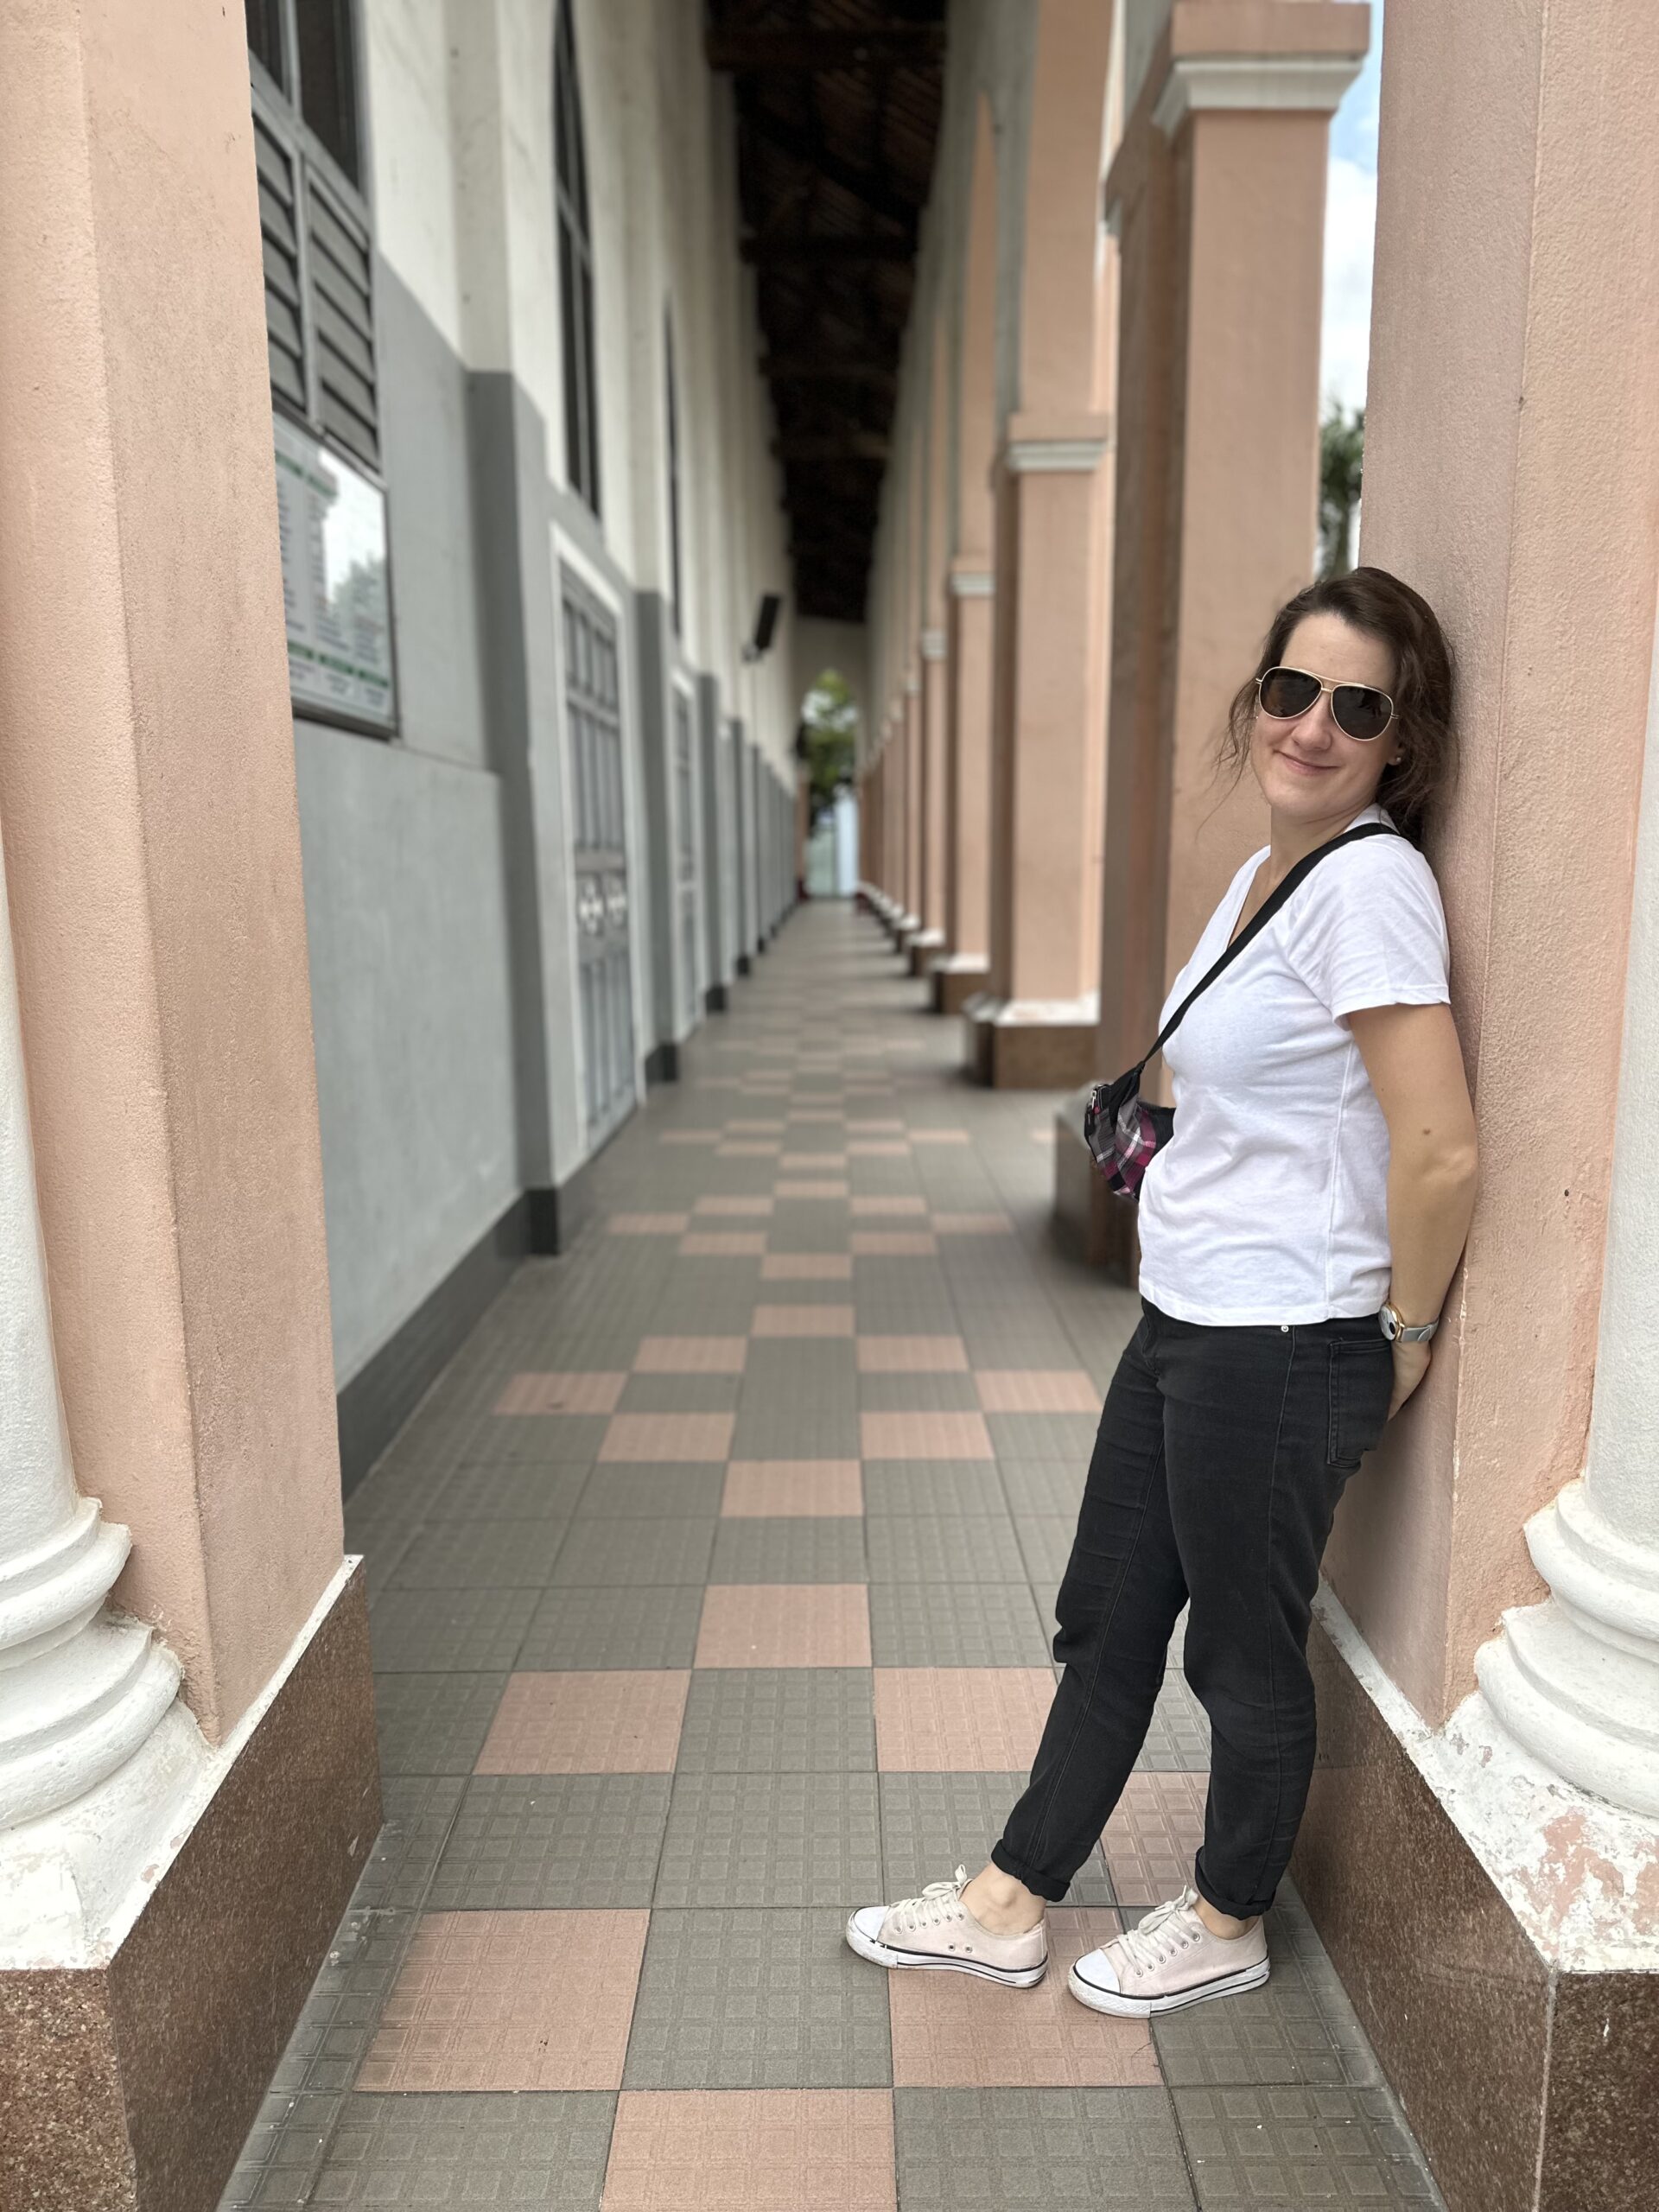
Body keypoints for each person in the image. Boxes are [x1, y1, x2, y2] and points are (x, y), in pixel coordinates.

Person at [847, 568, 1478, 2018]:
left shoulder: (1371, 886)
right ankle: (1010, 1902)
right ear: (1257, 697)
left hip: (1285, 1335)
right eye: (1292, 690)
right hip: (1191, 1319)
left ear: (1402, 742)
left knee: (1241, 1653)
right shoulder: (1271, 875)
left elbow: (1441, 1147)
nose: (1312, 727)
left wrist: (1402, 1334)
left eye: (1358, 708)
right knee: (1109, 1616)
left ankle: (1228, 1914)